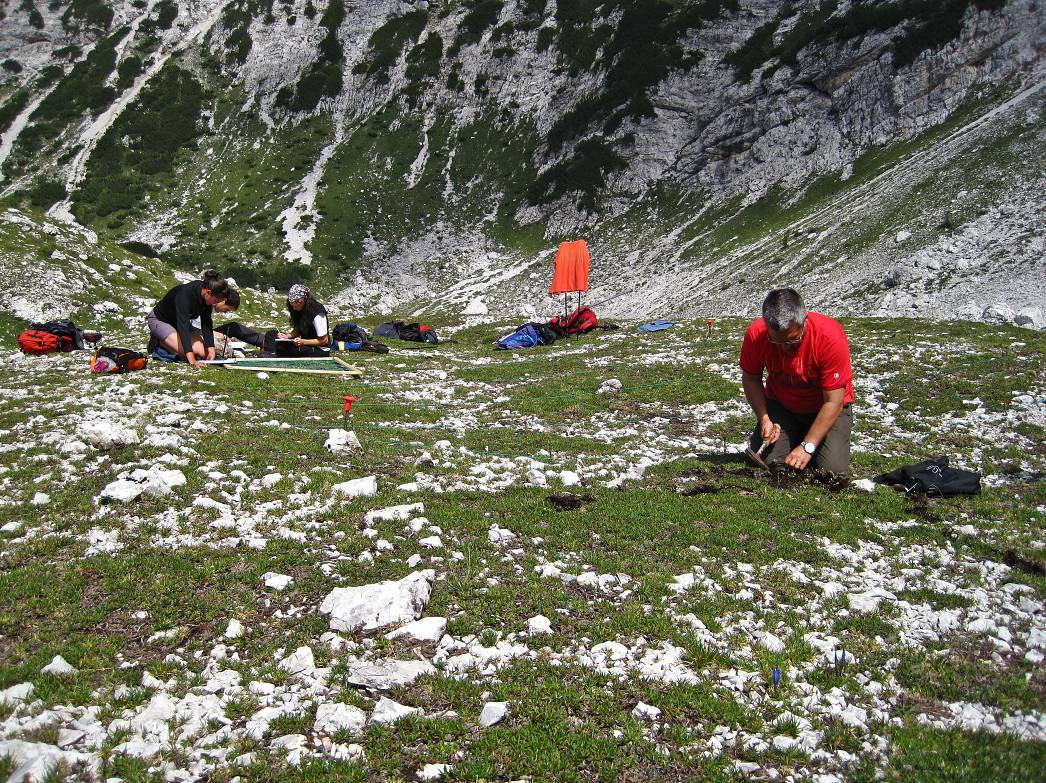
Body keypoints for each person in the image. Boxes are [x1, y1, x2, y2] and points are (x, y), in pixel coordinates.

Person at [739, 288, 855, 475]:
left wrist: (807, 447)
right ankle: (795, 435)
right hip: (783, 405)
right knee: (770, 462)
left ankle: (808, 438)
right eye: (777, 341)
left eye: (793, 340)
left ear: (804, 321)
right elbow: (751, 378)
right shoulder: (756, 334)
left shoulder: (830, 337)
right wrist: (764, 418)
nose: (785, 348)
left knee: (830, 471)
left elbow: (834, 401)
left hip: (825, 407)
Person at [147, 271, 229, 365]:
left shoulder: (206, 297)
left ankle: (170, 343)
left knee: (203, 352)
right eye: (215, 300)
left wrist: (211, 350)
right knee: (194, 350)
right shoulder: (184, 295)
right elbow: (183, 327)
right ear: (208, 292)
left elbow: (206, 323)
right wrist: (192, 361)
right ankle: (160, 342)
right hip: (161, 320)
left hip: (177, 324)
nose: (214, 304)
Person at [278, 283, 330, 355]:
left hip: (319, 348)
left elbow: (324, 340)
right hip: (305, 345)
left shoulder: (317, 313)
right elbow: (297, 330)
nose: (294, 308)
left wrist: (303, 342)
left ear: (302, 301)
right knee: (273, 337)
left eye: (295, 306)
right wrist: (287, 336)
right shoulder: (299, 310)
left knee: (287, 349)